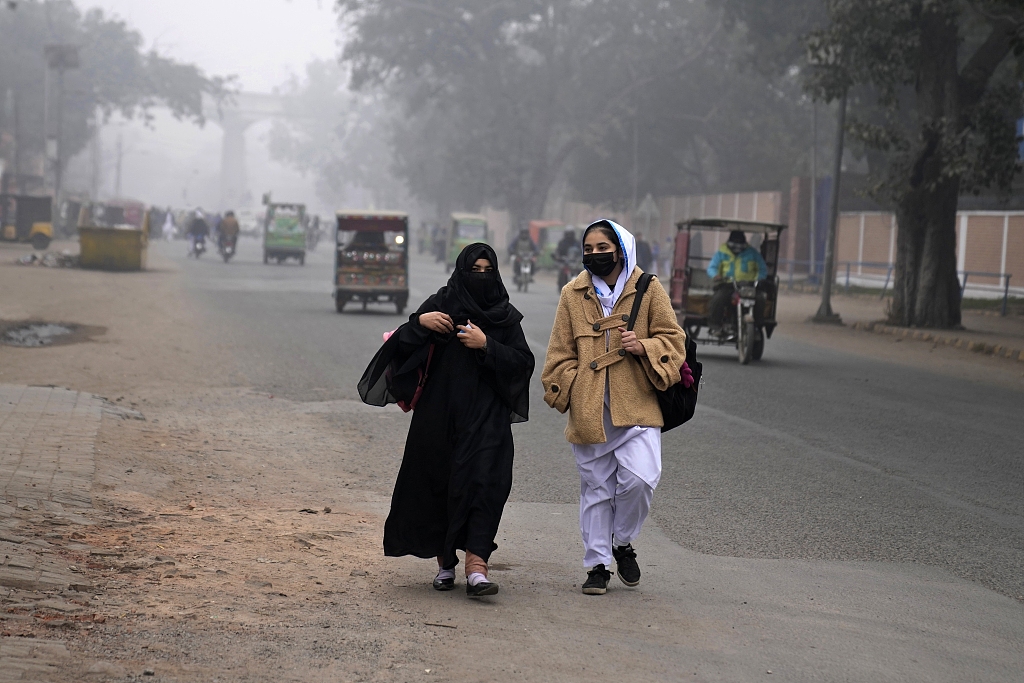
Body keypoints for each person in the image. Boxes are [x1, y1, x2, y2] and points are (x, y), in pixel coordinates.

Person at [360, 243, 535, 598]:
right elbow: (400, 349)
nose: (481, 277)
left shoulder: (504, 315)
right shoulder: (439, 304)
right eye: (475, 270)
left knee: (485, 484)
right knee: (439, 482)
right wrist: (419, 323)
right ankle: (445, 563)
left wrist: (487, 344)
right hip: (438, 417)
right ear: (460, 271)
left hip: (488, 418)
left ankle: (476, 566)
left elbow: (523, 363)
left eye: (488, 271)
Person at [541, 219, 687, 595]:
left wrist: (646, 347)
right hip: (591, 409)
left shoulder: (648, 289)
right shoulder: (572, 294)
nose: (594, 255)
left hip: (636, 406)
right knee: (597, 490)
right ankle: (597, 565)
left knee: (640, 480)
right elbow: (559, 352)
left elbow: (673, 338)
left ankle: (621, 542)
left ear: (621, 249)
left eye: (602, 248)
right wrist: (571, 386)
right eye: (588, 249)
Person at [706, 230, 768, 336]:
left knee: (760, 299)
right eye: (735, 243)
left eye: (740, 243)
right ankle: (715, 326)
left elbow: (762, 268)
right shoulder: (722, 252)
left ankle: (757, 327)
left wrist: (760, 278)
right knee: (718, 299)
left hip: (748, 286)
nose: (737, 246)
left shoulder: (752, 253)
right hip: (727, 284)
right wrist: (716, 276)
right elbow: (712, 267)